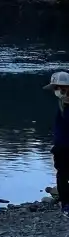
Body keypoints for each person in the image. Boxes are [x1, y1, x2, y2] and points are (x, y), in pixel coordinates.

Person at [43, 71, 69, 215]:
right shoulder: (61, 105)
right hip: (61, 147)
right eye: (56, 88)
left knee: (64, 174)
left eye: (60, 88)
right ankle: (65, 202)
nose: (58, 91)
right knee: (62, 174)